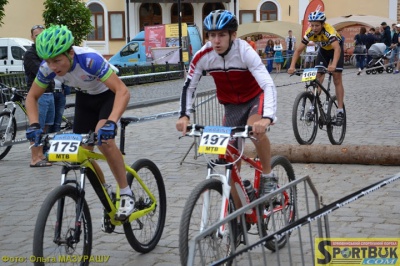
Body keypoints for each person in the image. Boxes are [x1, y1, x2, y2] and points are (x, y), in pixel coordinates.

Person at [25, 25, 133, 221]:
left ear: (71, 53)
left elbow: (122, 91)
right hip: (85, 99)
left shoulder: (89, 60)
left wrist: (111, 122)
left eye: (57, 60)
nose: (54, 67)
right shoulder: (47, 68)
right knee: (81, 152)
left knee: (104, 141)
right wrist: (34, 125)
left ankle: (126, 192)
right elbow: (31, 97)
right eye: (49, 62)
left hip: (107, 94)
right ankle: (106, 191)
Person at [176, 10, 278, 207]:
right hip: (231, 106)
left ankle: (268, 176)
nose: (216, 40)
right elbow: (189, 85)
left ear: (233, 35)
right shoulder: (203, 56)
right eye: (212, 35)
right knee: (230, 163)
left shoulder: (244, 51)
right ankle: (238, 216)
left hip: (254, 99)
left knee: (254, 131)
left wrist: (267, 118)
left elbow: (267, 84)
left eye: (222, 34)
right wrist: (184, 116)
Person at [288, 11, 345, 126]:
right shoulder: (309, 32)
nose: (314, 28)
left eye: (317, 25)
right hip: (323, 51)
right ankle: (313, 106)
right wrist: (292, 66)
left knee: (337, 78)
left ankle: (340, 111)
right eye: (312, 25)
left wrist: (333, 65)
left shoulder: (329, 31)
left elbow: (337, 49)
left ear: (323, 24)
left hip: (336, 50)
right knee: (317, 75)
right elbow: (299, 50)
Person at [24, 24, 55, 167]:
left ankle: (41, 154)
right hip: (37, 95)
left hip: (49, 93)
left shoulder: (45, 52)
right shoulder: (30, 54)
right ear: (32, 37)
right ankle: (34, 158)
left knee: (45, 127)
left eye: (42, 35)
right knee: (36, 125)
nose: (40, 38)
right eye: (37, 35)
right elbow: (40, 71)